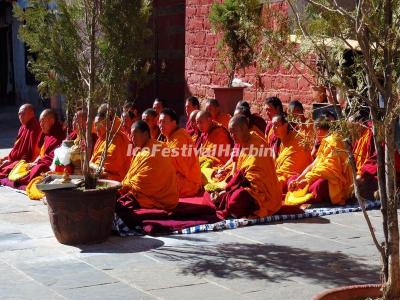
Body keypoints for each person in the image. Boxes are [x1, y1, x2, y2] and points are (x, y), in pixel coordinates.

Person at [204, 115, 282, 219]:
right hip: (247, 187)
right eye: (230, 132)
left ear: (244, 129)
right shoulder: (244, 144)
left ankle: (225, 201)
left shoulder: (257, 145)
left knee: (236, 200)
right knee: (210, 193)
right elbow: (240, 174)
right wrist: (226, 190)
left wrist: (226, 193)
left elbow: (253, 182)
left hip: (262, 196)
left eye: (234, 131)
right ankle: (224, 200)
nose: (232, 135)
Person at [116, 121, 178, 226]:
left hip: (160, 197)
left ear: (145, 134)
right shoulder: (147, 149)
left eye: (134, 135)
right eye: (130, 135)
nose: (131, 138)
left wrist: (123, 186)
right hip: (162, 194)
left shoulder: (152, 152)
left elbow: (143, 180)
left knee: (122, 205)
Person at [286, 116, 353, 206]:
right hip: (319, 175)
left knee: (319, 185)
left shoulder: (334, 141)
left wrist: (307, 180)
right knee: (292, 178)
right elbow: (314, 164)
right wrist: (300, 179)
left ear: (318, 129)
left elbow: (330, 168)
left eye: (315, 131)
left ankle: (310, 196)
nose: (315, 135)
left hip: (336, 183)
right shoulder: (326, 141)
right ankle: (307, 193)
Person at [0, 109, 65, 188]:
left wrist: (35, 163)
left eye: (43, 121)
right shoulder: (47, 135)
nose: (41, 125)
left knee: (36, 168)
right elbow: (41, 153)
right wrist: (34, 162)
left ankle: (21, 178)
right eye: (40, 121)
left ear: (51, 121)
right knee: (20, 166)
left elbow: (52, 157)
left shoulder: (58, 136)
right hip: (38, 162)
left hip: (48, 166)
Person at [159, 108, 202, 197]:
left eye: (164, 122)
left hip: (188, 182)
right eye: (159, 122)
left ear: (174, 123)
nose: (161, 125)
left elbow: (171, 160)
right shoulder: (171, 137)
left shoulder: (180, 137)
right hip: (179, 177)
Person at [272, 114, 312, 193]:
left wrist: (271, 175)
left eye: (276, 125)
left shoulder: (297, 142)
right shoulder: (281, 142)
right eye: (272, 125)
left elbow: (289, 170)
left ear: (285, 125)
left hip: (294, 179)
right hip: (281, 175)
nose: (273, 128)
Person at [0, 104, 42, 179]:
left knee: (5, 169)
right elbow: (17, 148)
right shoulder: (23, 127)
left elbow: (29, 155)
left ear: (31, 113)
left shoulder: (35, 128)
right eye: (19, 114)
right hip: (15, 159)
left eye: (22, 113)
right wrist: (8, 158)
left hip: (25, 162)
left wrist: (11, 162)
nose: (20, 116)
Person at [90, 109, 130, 182]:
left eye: (100, 124)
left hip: (116, 182)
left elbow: (108, 168)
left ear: (108, 124)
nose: (97, 128)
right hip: (99, 178)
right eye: (95, 125)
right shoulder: (101, 139)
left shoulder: (118, 139)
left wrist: (91, 165)